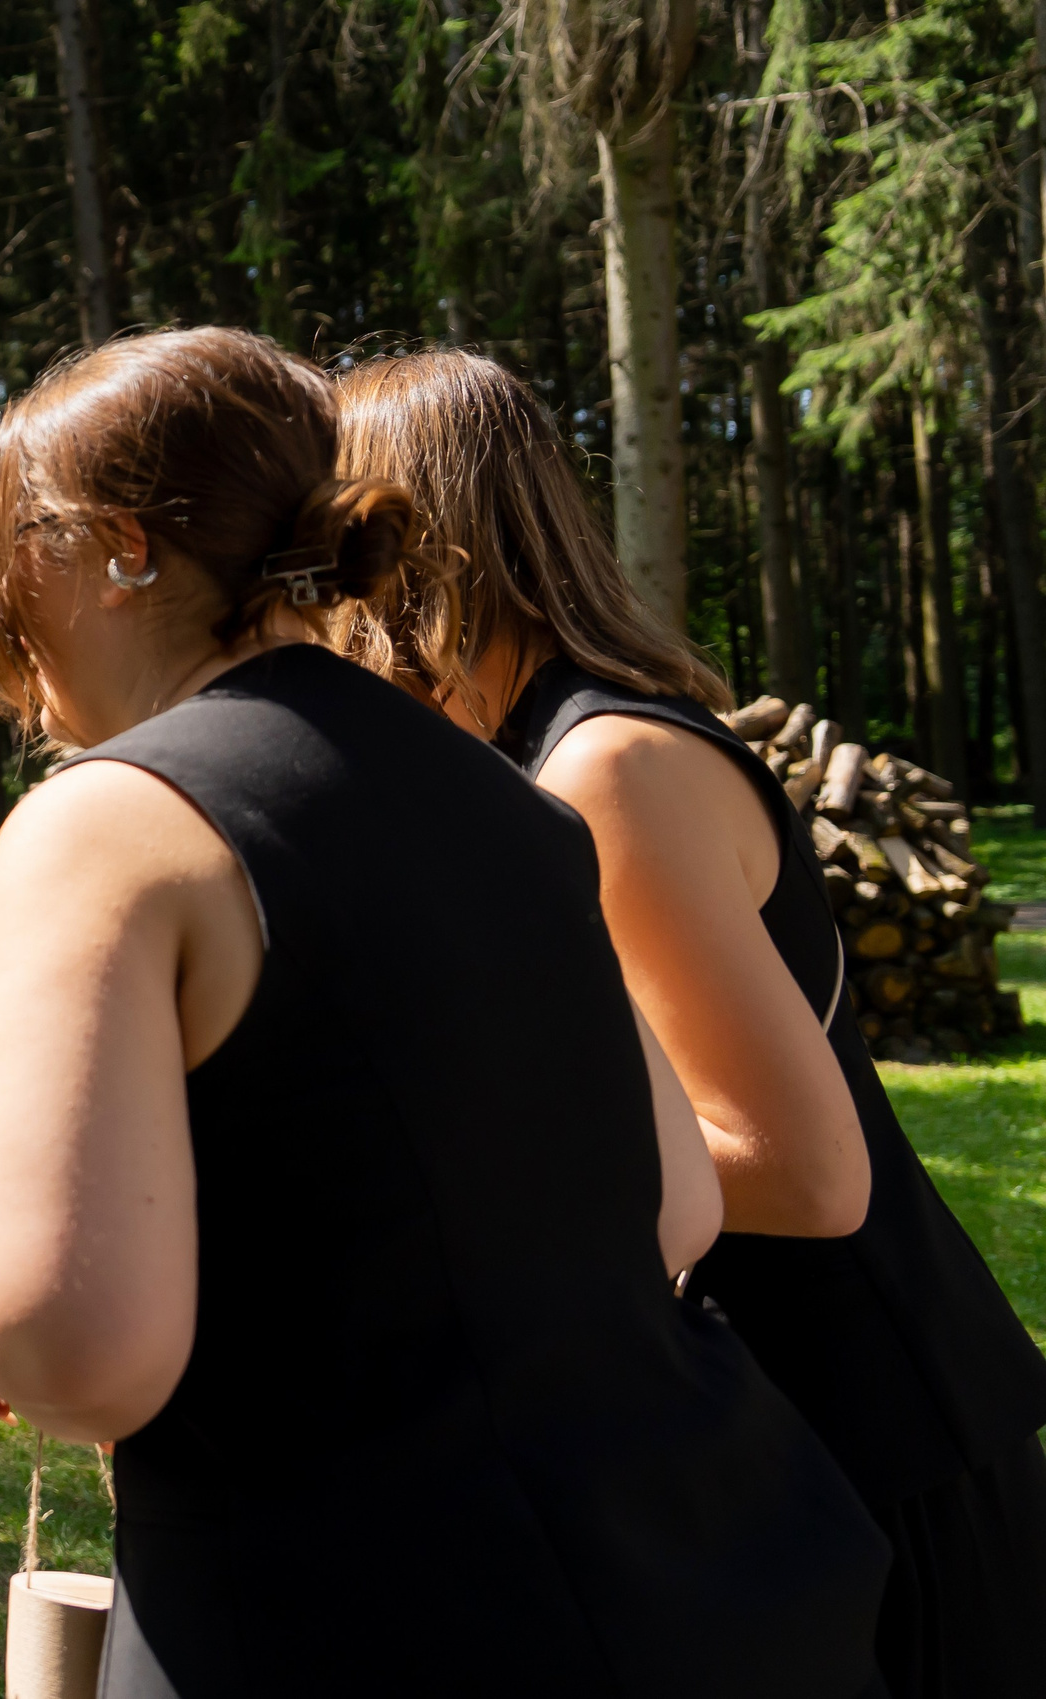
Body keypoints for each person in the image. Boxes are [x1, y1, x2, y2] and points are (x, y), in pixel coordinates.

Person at [0, 327, 892, 1696]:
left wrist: (12, 1348)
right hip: (703, 1578)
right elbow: (676, 1201)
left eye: (7, 600)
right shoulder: (514, 798)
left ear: (115, 546)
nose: (23, 676)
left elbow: (78, 1347)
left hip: (336, 1613)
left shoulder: (104, 824)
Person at [333, 346, 1046, 1696]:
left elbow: (802, 1171)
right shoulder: (548, 752)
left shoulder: (609, 769)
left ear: (408, 554)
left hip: (875, 1452)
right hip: (789, 1439)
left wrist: (455, 1182)